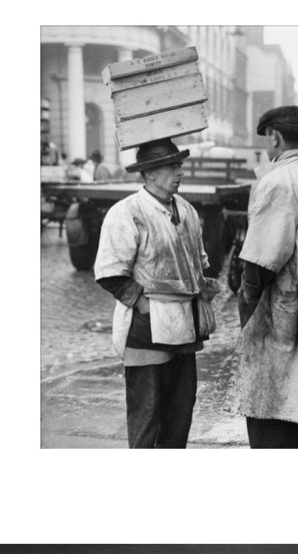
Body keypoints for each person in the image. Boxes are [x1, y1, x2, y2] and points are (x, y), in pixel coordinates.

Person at [94, 138, 219, 448]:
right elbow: (109, 272)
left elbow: (199, 262)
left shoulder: (187, 211)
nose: (180, 172)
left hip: (185, 330)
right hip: (146, 331)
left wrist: (204, 284)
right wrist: (142, 303)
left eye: (180, 165)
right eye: (172, 166)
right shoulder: (127, 213)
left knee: (179, 415)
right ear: (149, 173)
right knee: (147, 415)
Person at [226, 105, 298, 449]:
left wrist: (246, 313)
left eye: (267, 141)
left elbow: (260, 262)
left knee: (272, 412)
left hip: (283, 315)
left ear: (274, 137)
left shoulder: (277, 180)